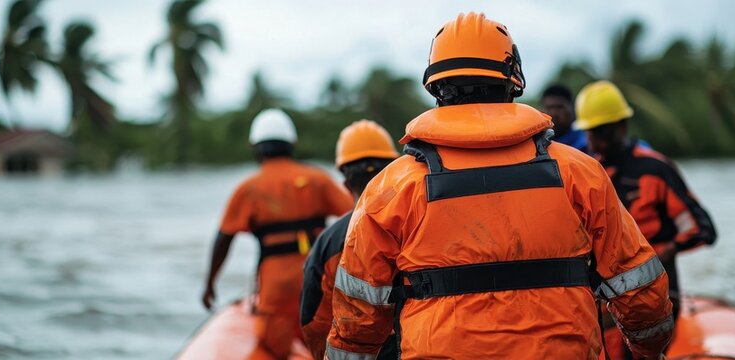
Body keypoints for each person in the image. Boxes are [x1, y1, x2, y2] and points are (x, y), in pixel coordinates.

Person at [327, 13, 673, 359]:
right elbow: (642, 293)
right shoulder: (579, 172)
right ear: (513, 81)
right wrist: (648, 350)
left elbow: (357, 318)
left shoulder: (392, 186)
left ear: (436, 87)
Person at [201, 109, 353, 360]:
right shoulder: (317, 179)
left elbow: (224, 238)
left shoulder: (248, 188)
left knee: (275, 350)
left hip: (276, 291)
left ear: (256, 148)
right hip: (319, 281)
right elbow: (358, 216)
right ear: (292, 144)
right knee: (324, 345)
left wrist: (209, 285)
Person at [575, 80, 718, 322]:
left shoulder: (655, 169)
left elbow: (703, 229)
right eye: (591, 132)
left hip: (658, 295)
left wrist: (665, 253)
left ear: (622, 126)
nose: (596, 139)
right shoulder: (587, 173)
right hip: (608, 300)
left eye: (602, 130)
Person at [300, 120, 400, 360]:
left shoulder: (329, 241)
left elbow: (314, 322)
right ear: (394, 170)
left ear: (346, 183)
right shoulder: (419, 220)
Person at [541, 84, 588, 151]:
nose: (554, 113)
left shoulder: (586, 145)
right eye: (549, 108)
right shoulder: (537, 145)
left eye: (560, 107)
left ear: (572, 108)